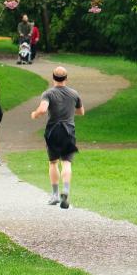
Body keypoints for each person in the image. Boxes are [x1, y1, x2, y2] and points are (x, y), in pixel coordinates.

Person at [30, 66, 84, 208]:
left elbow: (42, 109)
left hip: (53, 131)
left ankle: (54, 195)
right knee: (66, 162)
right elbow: (81, 112)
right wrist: (70, 110)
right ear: (66, 78)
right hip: (68, 131)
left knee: (53, 162)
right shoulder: (74, 93)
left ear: (53, 78)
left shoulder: (48, 93)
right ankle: (65, 191)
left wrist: (35, 114)